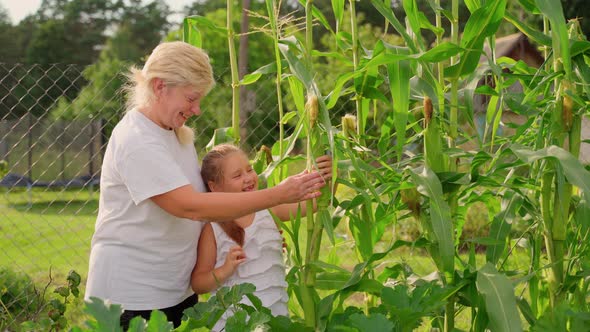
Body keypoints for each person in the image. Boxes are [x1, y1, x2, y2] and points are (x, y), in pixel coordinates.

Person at [84, 41, 326, 329]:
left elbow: (213, 201)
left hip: (173, 290)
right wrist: (276, 194)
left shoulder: (175, 134)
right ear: (160, 87)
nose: (197, 109)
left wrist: (250, 234)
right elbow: (190, 206)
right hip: (134, 295)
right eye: (191, 98)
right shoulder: (137, 140)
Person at [191, 144, 332, 331]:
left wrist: (328, 174)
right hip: (234, 324)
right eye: (237, 175)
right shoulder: (214, 228)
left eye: (249, 169)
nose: (248, 178)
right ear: (214, 187)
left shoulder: (269, 211)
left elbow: (316, 203)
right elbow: (198, 283)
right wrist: (225, 269)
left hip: (275, 316)